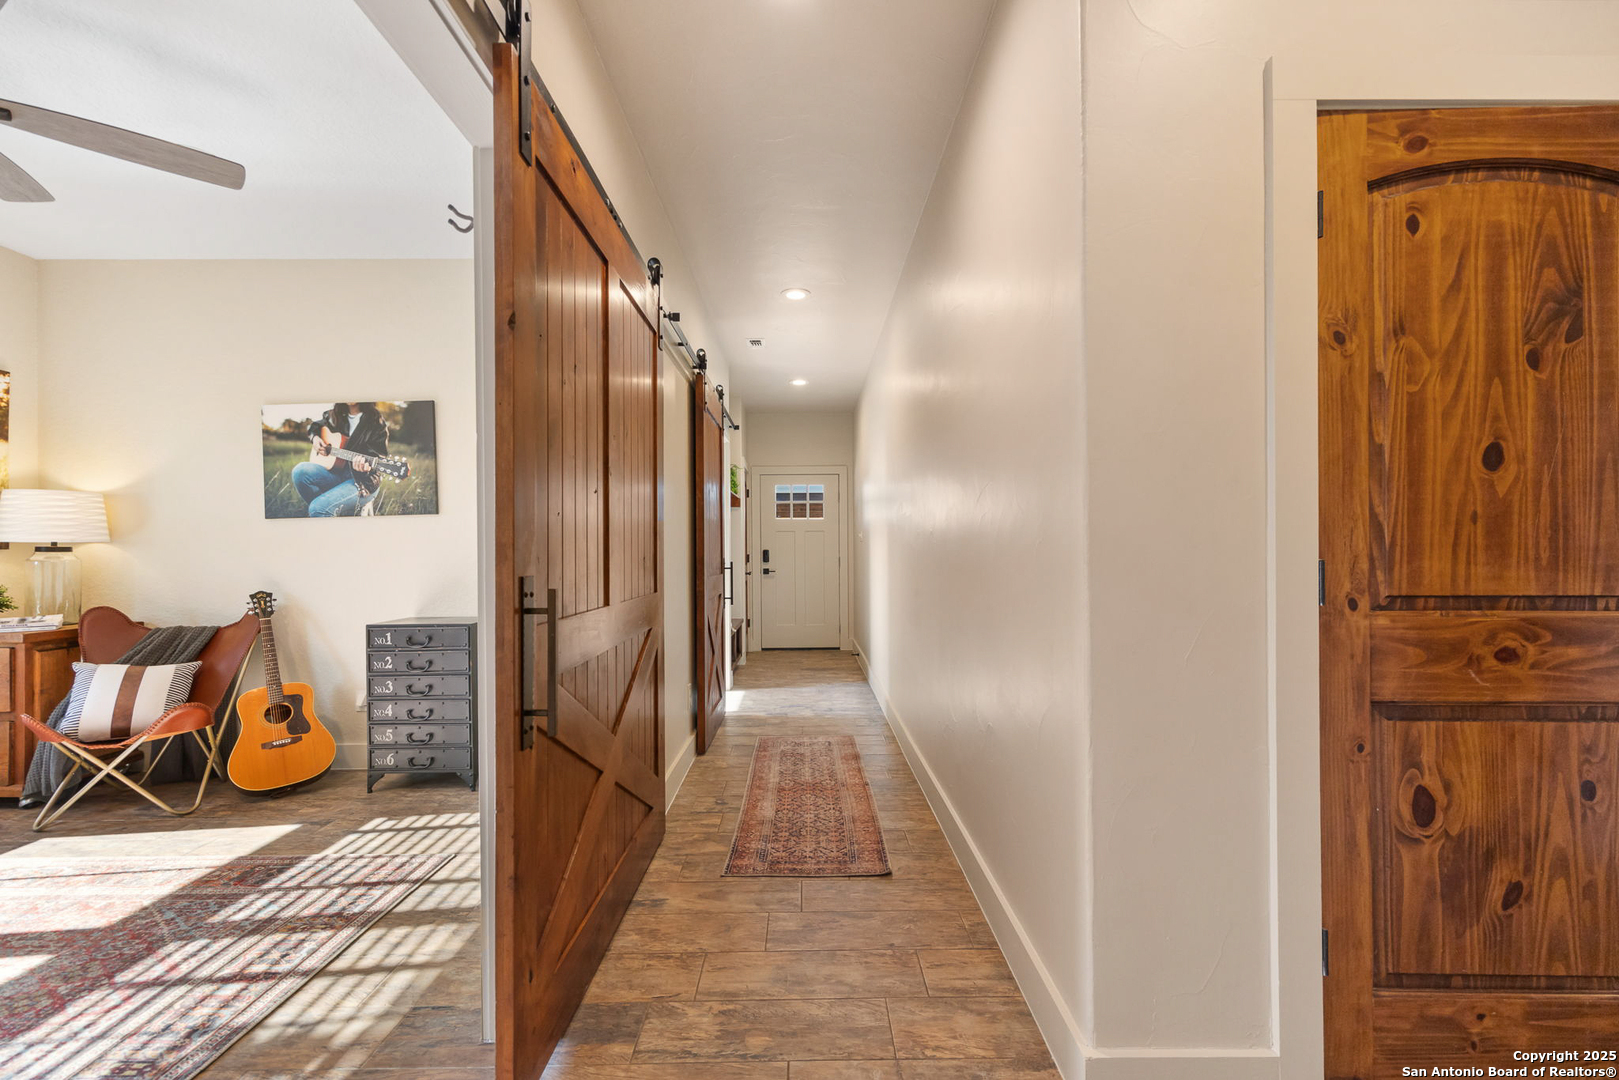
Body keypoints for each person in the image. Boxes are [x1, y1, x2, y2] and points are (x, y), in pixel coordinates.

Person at [290, 402, 388, 517]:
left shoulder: (376, 421)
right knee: (299, 471)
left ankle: (323, 510)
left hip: (362, 482)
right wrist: (315, 438)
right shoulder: (332, 415)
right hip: (335, 473)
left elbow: (379, 455)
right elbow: (315, 427)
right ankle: (327, 510)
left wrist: (365, 468)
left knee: (317, 508)